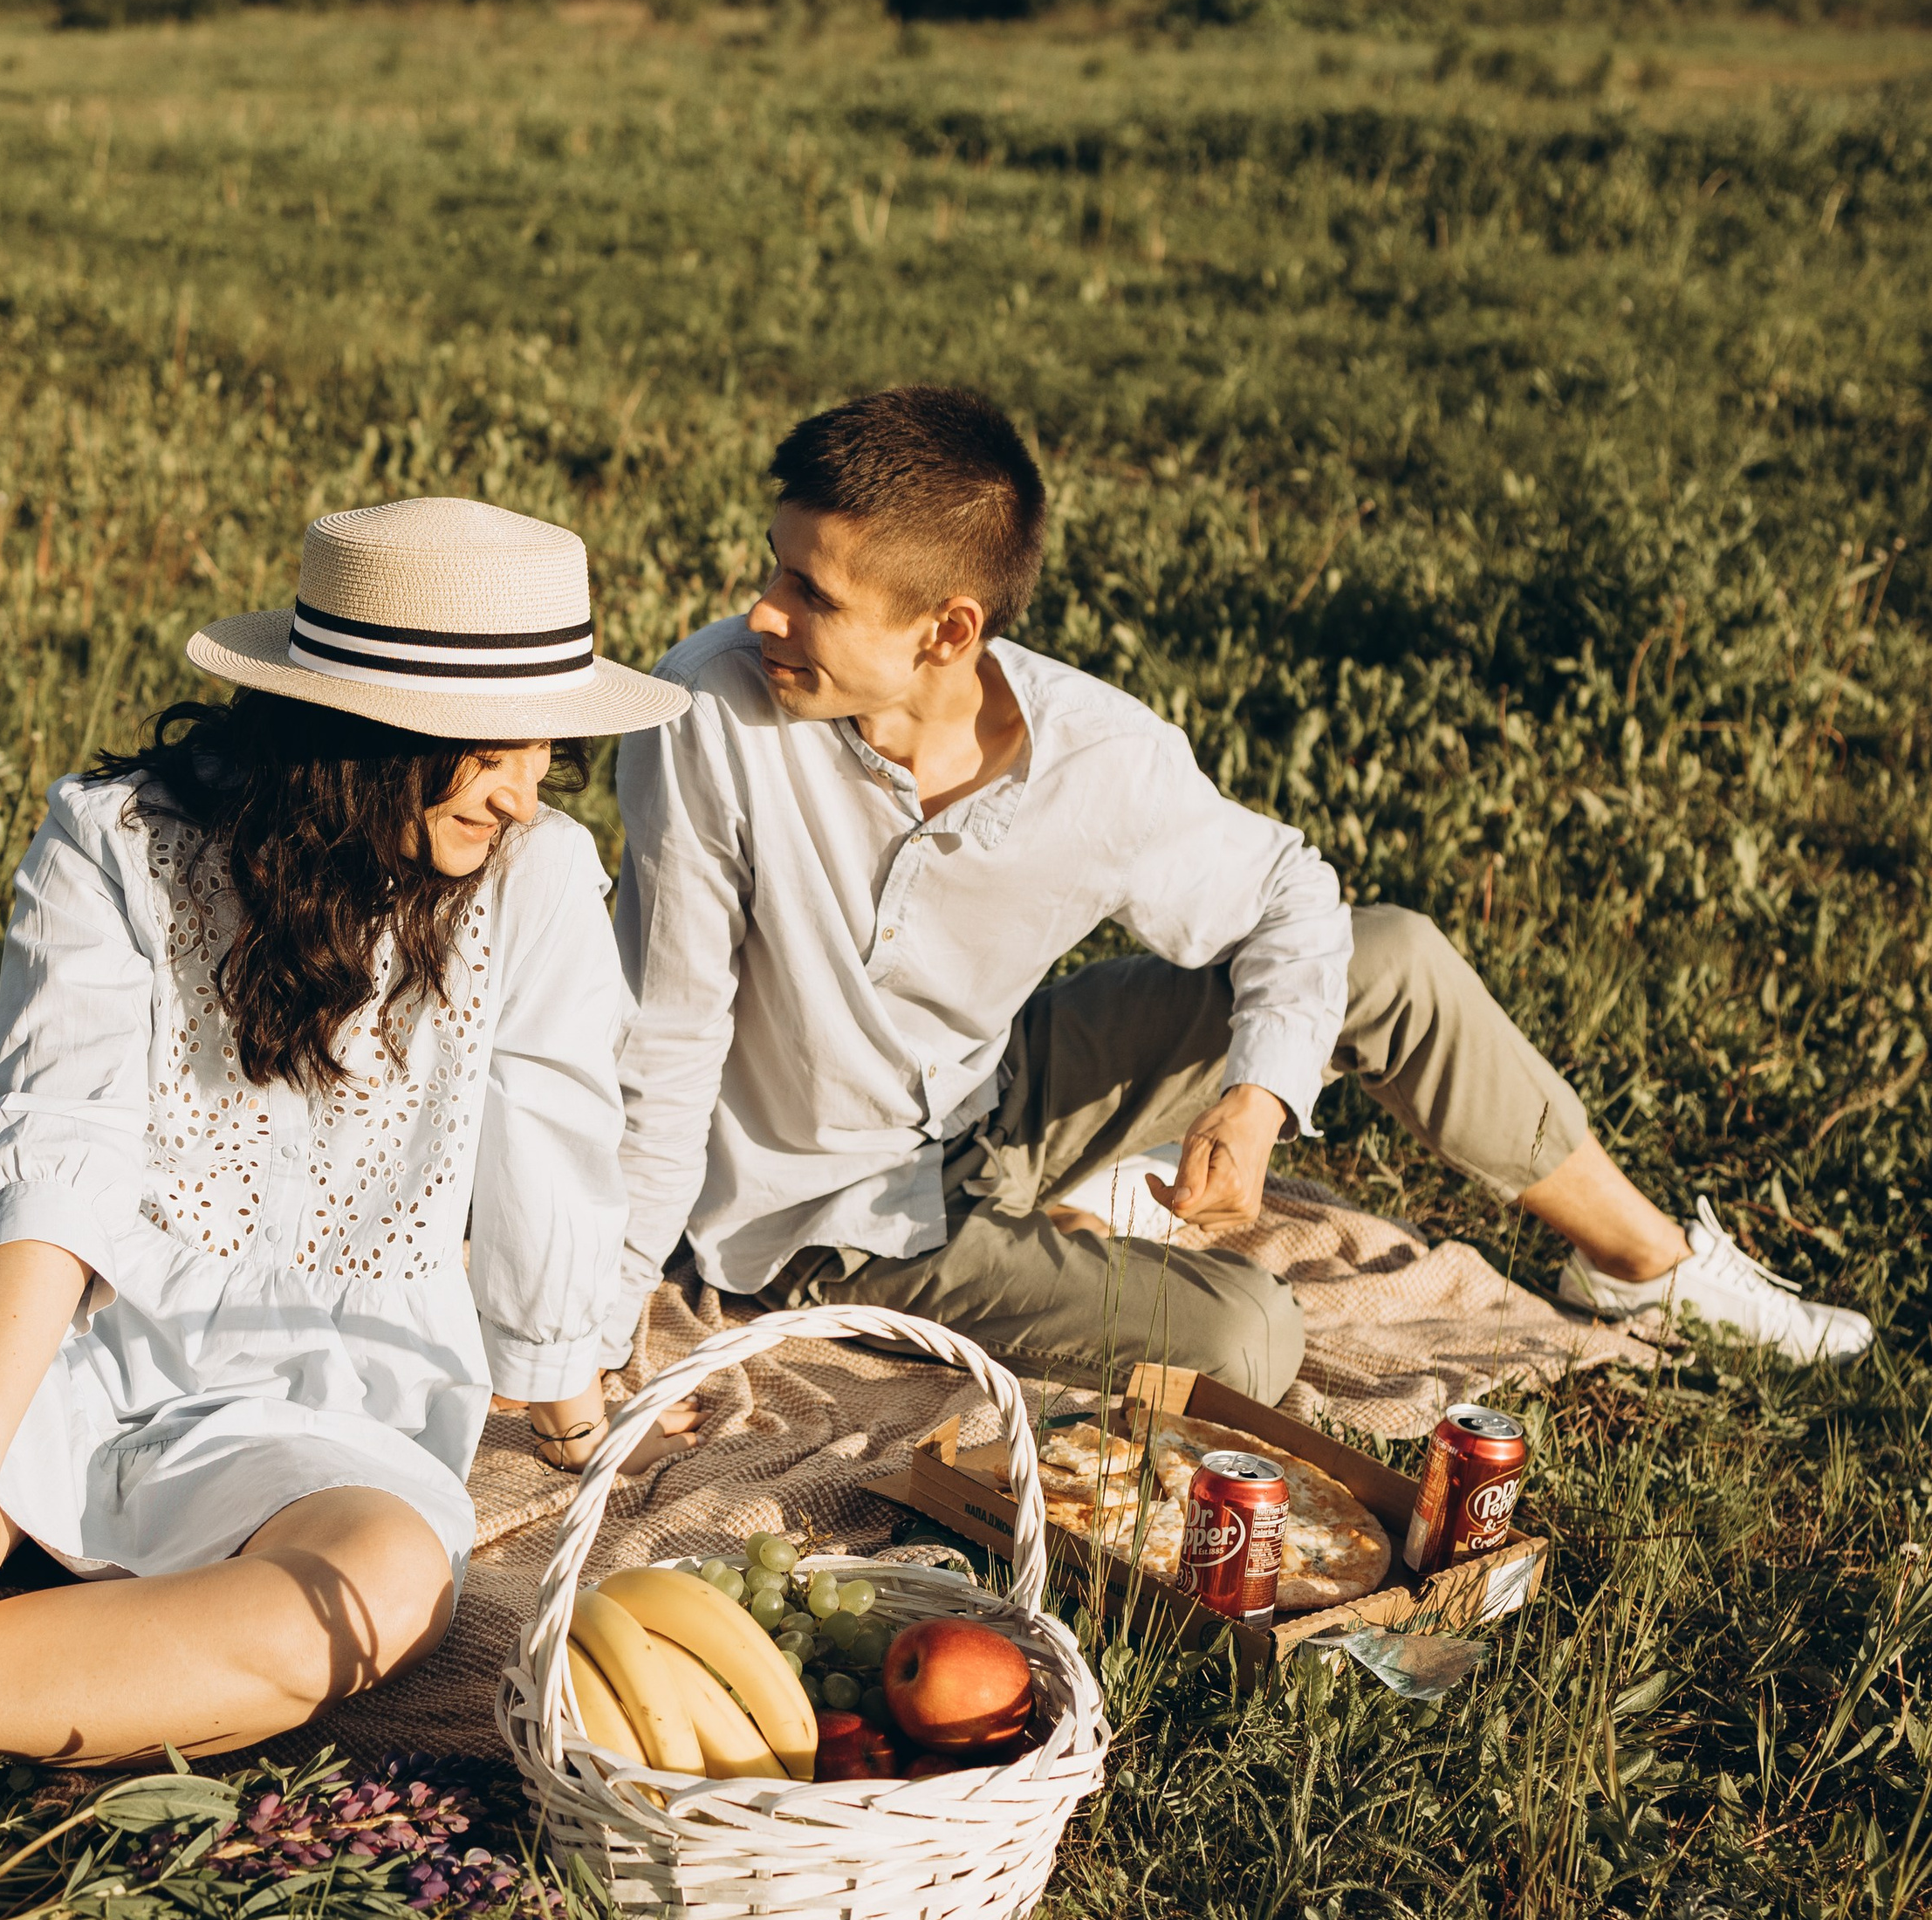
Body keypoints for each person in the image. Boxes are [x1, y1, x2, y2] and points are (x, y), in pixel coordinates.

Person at [0, 497, 689, 1866]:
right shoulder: (114, 841)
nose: (524, 789)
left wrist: (569, 1399)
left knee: (378, 1593)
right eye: (489, 747)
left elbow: (554, 1146)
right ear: (361, 735)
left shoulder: (540, 878)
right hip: (26, 1329)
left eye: (545, 746)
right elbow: (62, 1155)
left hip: (316, 1383)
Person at [602, 385, 1872, 1396]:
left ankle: (1646, 1267)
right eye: (775, 569)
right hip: (830, 1211)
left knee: (1389, 952)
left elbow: (1288, 899)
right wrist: (605, 1320)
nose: (759, 614)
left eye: (808, 593)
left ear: (949, 630)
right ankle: (1066, 1227)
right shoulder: (707, 711)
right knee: (1247, 1336)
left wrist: (1260, 1097)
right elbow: (669, 1035)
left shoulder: (1096, 758)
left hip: (994, 1095)